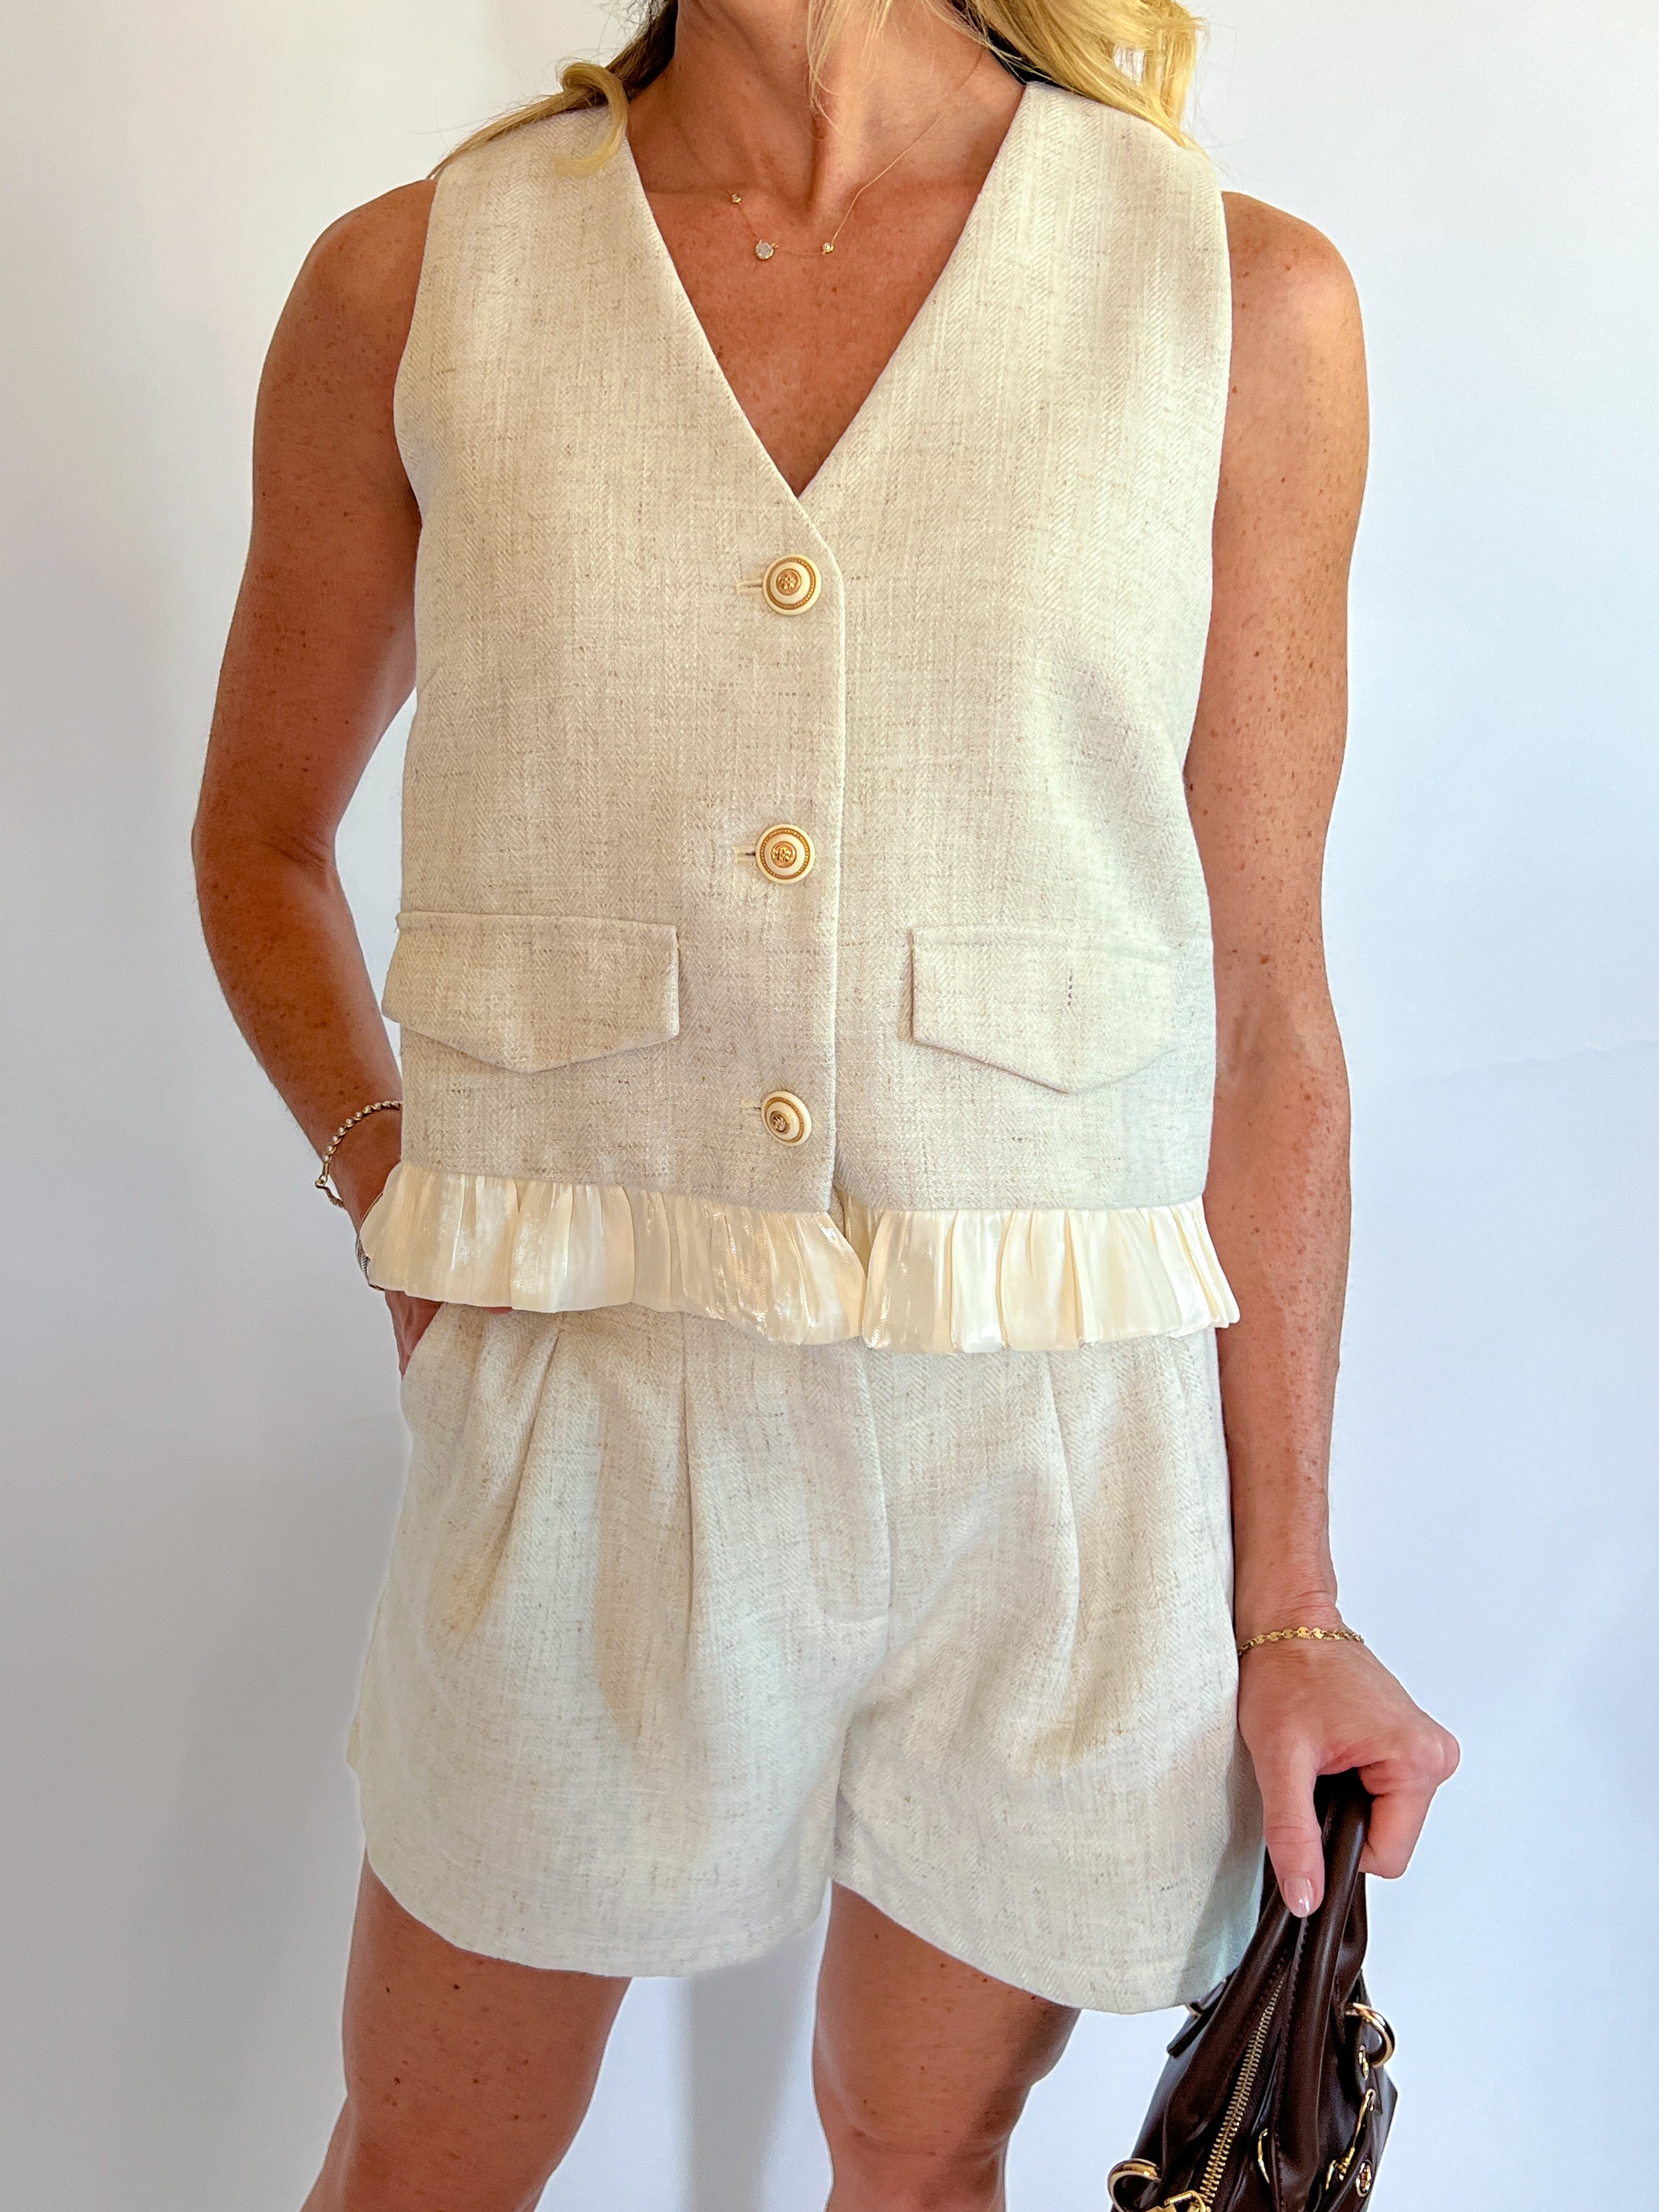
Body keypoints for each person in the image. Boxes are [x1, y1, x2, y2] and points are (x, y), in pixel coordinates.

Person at [193, 0, 1459, 2204]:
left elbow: (1267, 1011)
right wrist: (405, 1203)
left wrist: (1292, 1608)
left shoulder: (1241, 302)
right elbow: (260, 839)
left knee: (917, 2146)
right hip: (583, 1428)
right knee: (429, 2156)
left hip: (1053, 1473)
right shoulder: (415, 284)